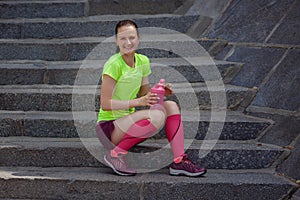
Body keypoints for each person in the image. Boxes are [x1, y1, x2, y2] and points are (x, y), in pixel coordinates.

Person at [96, 19, 206, 177]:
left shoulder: (142, 61)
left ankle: (179, 161)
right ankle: (115, 155)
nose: (128, 42)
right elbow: (105, 104)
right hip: (109, 128)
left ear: (138, 38)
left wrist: (159, 92)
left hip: (128, 125)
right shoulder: (113, 65)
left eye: (132, 37)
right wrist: (138, 102)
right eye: (123, 38)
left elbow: (144, 93)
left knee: (171, 106)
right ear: (116, 41)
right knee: (156, 116)